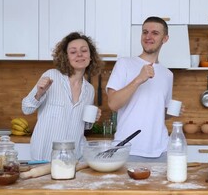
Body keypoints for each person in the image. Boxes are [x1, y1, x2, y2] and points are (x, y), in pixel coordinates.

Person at [22, 32, 103, 161]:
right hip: (44, 155)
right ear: (66, 57)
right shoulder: (52, 76)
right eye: (73, 52)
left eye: (84, 50)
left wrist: (92, 119)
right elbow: (26, 108)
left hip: (73, 157)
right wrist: (39, 93)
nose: (79, 55)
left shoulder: (89, 90)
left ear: (91, 56)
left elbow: (84, 126)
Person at [106, 16, 176, 162]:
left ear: (165, 38)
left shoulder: (168, 75)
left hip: (161, 150)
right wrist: (139, 79)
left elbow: (159, 114)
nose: (148, 37)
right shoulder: (124, 64)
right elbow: (113, 104)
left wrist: (172, 112)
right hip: (128, 149)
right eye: (145, 32)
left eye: (155, 33)